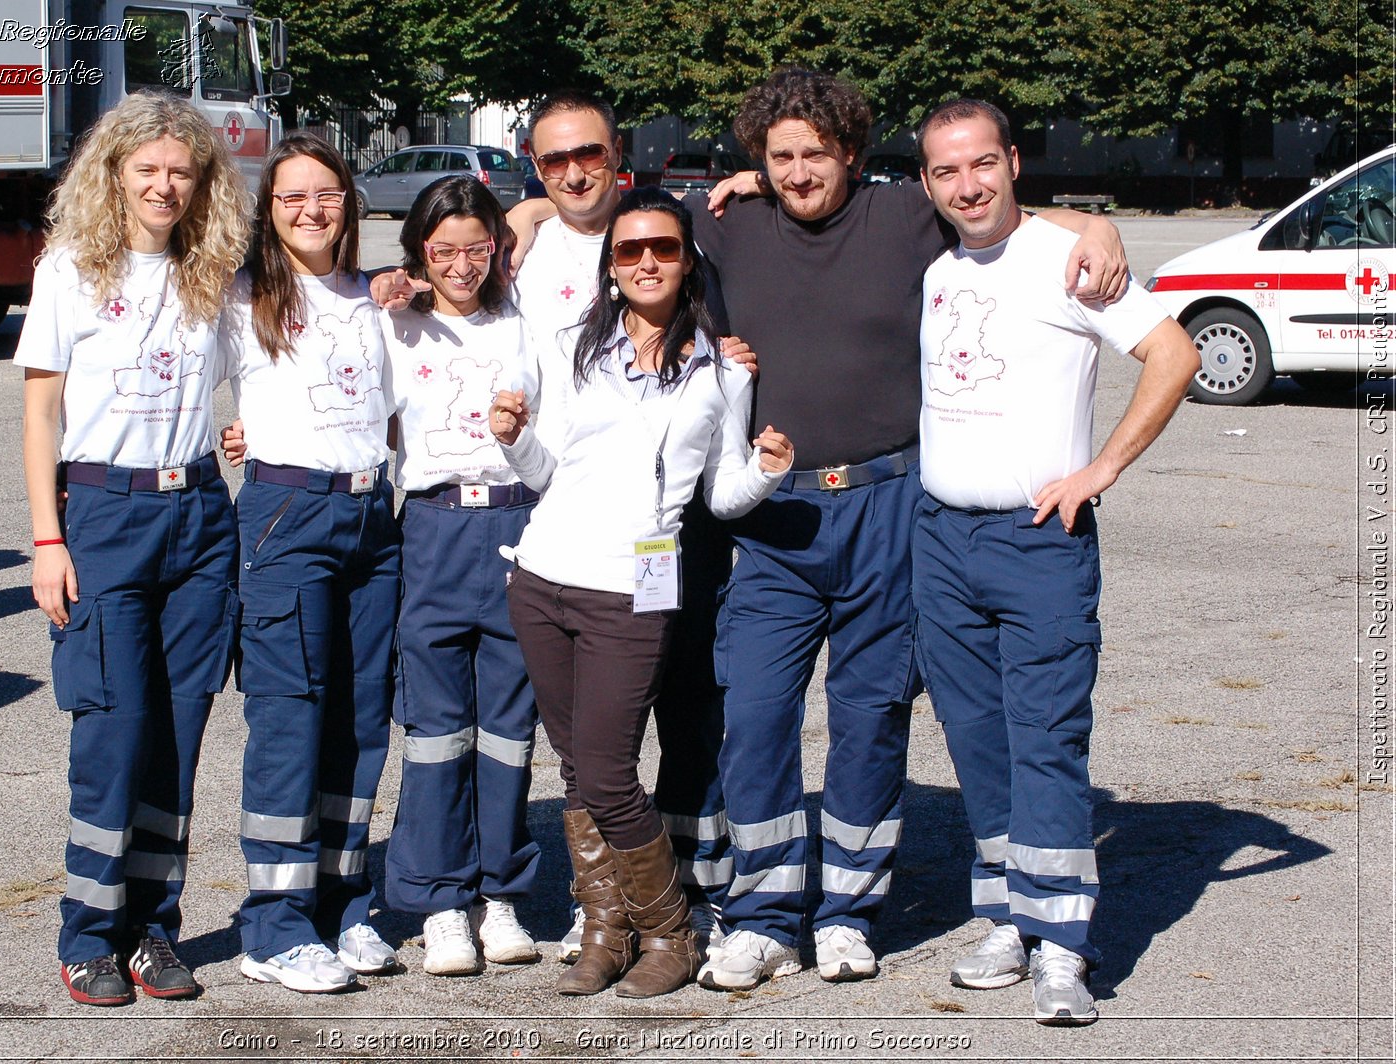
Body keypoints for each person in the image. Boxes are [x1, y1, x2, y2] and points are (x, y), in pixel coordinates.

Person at [683, 68, 1129, 991]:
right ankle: (763, 913)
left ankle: (848, 909)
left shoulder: (906, 217)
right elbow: (584, 222)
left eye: (816, 152)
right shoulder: (721, 224)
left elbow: (1000, 210)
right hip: (774, 513)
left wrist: (1100, 225)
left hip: (891, 505)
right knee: (756, 713)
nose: (799, 171)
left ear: (853, 153)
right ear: (756, 163)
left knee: (871, 715)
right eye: (780, 157)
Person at [910, 99, 1198, 1025]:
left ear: (1013, 162)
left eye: (983, 164)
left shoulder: (1067, 260)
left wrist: (1101, 468)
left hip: (1038, 542)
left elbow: (1175, 355)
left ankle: (1065, 944)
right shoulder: (935, 263)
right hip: (941, 537)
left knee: (1046, 740)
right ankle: (1006, 914)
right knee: (977, 742)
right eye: (947, 171)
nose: (968, 185)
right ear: (926, 182)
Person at [491, 187, 794, 998]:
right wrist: (516, 440)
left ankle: (670, 933)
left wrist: (767, 472)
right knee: (577, 768)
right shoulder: (569, 349)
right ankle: (603, 928)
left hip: (635, 585)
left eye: (662, 247)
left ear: (687, 258)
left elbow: (720, 494)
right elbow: (548, 474)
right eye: (630, 251)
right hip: (544, 576)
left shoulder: (721, 368)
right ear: (611, 267)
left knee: (609, 769)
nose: (647, 261)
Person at [16, 90, 249, 1006]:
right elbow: (40, 415)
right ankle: (89, 933)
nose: (163, 185)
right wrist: (47, 538)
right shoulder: (70, 269)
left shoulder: (213, 273)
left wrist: (239, 438)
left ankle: (154, 926)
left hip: (197, 515)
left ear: (201, 185)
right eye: (146, 169)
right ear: (113, 173)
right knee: (113, 730)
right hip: (105, 518)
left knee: (179, 731)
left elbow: (263, 370)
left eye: (179, 172)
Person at [223, 131, 400, 994]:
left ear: (349, 204)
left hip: (374, 519)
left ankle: (344, 901)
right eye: (290, 195)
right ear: (269, 209)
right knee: (291, 719)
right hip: (287, 517)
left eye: (325, 193)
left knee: (363, 720)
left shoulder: (379, 298)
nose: (310, 209)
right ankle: (275, 923)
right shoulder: (239, 297)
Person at [379, 175, 542, 976]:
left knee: (510, 730)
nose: (462, 264)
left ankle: (501, 891)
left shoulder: (525, 320)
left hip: (518, 522)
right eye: (443, 250)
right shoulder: (394, 329)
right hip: (435, 527)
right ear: (418, 254)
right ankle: (442, 901)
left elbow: (549, 210)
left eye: (478, 247)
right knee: (438, 730)